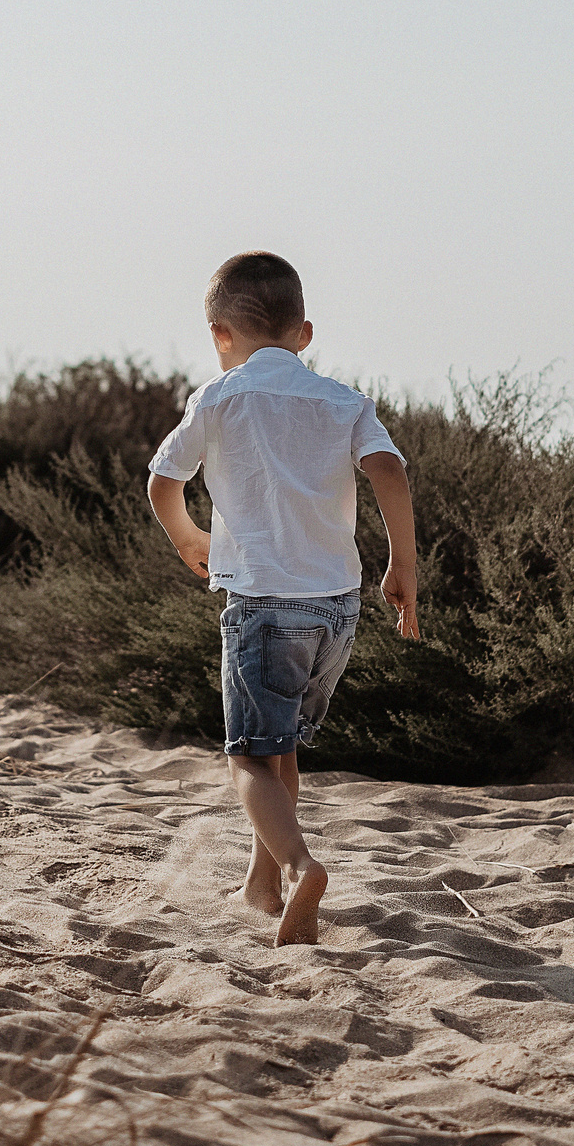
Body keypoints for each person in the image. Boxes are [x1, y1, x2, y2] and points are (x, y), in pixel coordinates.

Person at [146, 251, 420, 946]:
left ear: (219, 335)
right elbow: (388, 469)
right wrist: (402, 565)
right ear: (305, 333)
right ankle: (261, 882)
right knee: (283, 750)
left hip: (264, 605)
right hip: (336, 607)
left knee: (246, 756)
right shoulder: (343, 400)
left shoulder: (219, 396)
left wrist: (187, 537)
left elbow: (162, 479)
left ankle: (300, 866)